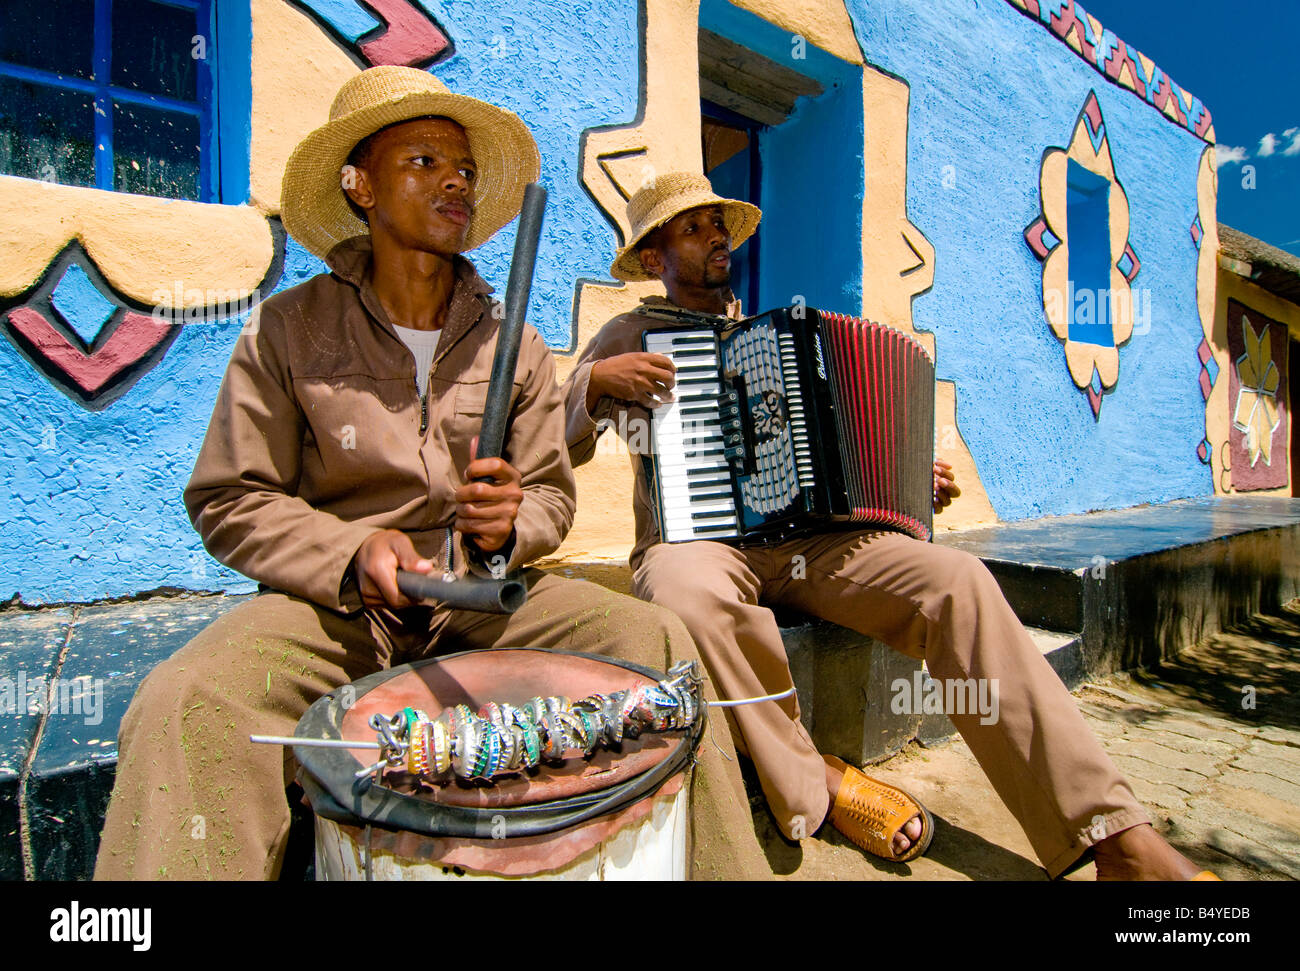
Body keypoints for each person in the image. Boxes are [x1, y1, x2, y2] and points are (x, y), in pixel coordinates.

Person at [93, 72, 766, 881]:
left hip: (483, 603)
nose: (456, 180)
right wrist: (349, 552)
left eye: (466, 169)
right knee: (186, 701)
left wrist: (511, 523)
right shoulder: (287, 327)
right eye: (423, 160)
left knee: (655, 640)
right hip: (333, 611)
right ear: (361, 185)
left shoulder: (510, 341)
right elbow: (230, 497)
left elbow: (552, 489)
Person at [561, 171, 1217, 880]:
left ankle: (1115, 836)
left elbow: (836, 456)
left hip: (808, 542)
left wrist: (905, 484)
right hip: (695, 543)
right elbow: (555, 439)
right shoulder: (628, 332)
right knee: (685, 597)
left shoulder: (775, 333)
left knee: (957, 579)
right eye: (694, 228)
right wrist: (594, 385)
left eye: (719, 223)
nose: (717, 236)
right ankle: (825, 781)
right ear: (655, 257)